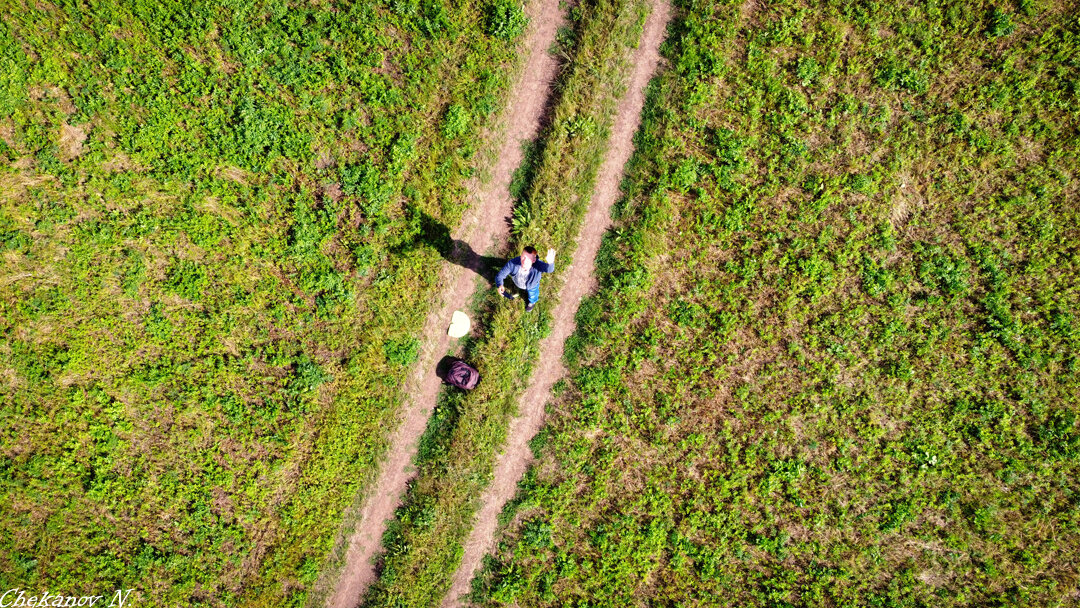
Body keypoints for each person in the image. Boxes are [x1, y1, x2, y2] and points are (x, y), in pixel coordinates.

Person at [495, 246, 555, 312]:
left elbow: (549, 269)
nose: (524, 261)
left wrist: (550, 263)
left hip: (532, 285)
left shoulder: (538, 265)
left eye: (528, 259)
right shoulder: (513, 263)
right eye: (523, 257)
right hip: (518, 282)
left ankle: (532, 302)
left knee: (533, 295)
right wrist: (500, 284)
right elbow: (500, 275)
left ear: (533, 260)